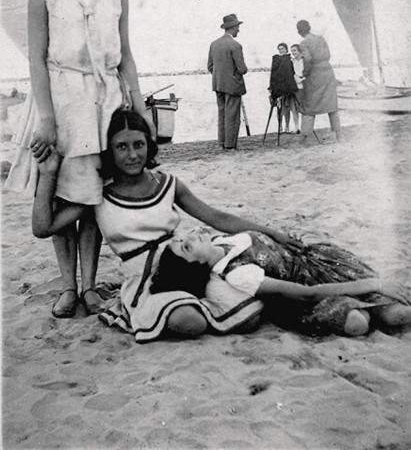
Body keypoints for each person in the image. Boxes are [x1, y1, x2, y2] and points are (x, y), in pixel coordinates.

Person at [31, 108, 305, 343]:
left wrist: (270, 232)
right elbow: (43, 228)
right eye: (121, 147)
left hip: (187, 265)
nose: (132, 155)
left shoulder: (167, 184)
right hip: (146, 283)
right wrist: (48, 174)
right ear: (109, 151)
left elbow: (216, 218)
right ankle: (189, 307)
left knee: (251, 315)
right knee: (189, 320)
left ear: (149, 145)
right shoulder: (100, 193)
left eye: (138, 145)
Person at [6, 0, 153, 319]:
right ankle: (67, 287)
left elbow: (124, 55)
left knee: (93, 195)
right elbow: (37, 59)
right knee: (60, 192)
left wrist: (138, 104)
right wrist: (47, 118)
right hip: (61, 100)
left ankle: (89, 287)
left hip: (105, 101)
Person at [150, 228, 411, 337]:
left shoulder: (220, 240)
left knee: (396, 311)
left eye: (185, 238)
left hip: (319, 262)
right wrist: (375, 284)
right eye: (187, 246)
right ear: (195, 266)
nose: (193, 236)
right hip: (308, 296)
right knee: (362, 321)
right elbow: (306, 295)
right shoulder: (235, 273)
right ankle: (371, 307)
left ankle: (376, 309)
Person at [296, 20, 341, 144]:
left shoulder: (304, 43)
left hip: (316, 74)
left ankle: (303, 138)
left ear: (299, 31)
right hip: (328, 71)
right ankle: (338, 136)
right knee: (332, 105)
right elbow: (329, 55)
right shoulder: (321, 38)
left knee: (309, 105)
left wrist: (305, 73)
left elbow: (308, 59)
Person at [207, 14, 247, 150]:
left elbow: (210, 66)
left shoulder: (214, 44)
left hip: (218, 84)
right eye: (238, 27)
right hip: (233, 86)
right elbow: (242, 69)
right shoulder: (235, 45)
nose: (239, 30)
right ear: (234, 28)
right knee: (232, 116)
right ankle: (230, 145)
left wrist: (222, 75)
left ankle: (222, 143)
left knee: (222, 114)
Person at [268, 42, 299, 133]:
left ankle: (294, 126)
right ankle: (283, 127)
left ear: (286, 49)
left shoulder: (289, 59)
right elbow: (273, 74)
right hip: (279, 87)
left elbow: (292, 72)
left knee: (292, 107)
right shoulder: (276, 59)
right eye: (279, 49)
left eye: (283, 49)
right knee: (281, 108)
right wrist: (272, 87)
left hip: (289, 87)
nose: (281, 51)